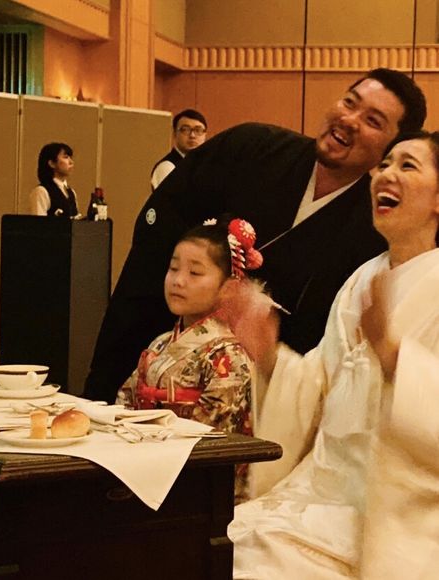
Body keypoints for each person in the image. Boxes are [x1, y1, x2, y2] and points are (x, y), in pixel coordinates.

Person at [84, 68, 427, 403]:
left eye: (373, 121)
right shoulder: (252, 147)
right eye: (350, 102)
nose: (350, 120)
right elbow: (162, 215)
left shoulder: (370, 229)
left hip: (255, 387)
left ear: (391, 149)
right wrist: (198, 281)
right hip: (160, 338)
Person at [228, 131, 439, 579]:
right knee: (216, 547)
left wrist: (395, 358)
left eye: (408, 165)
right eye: (385, 164)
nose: (386, 174)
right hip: (318, 493)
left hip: (397, 514)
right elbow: (321, 388)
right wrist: (271, 356)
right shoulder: (361, 279)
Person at [117, 217, 266, 500]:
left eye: (195, 273)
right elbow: (125, 401)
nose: (178, 280)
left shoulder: (229, 355)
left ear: (228, 288)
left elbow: (211, 439)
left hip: (199, 490)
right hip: (144, 469)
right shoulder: (160, 343)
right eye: (173, 268)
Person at [150, 109, 207, 191]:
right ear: (174, 134)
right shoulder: (167, 167)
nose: (192, 135)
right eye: (185, 130)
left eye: (198, 130)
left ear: (205, 135)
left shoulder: (204, 165)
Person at [29, 142, 81, 218]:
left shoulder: (72, 192)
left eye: (71, 158)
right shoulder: (41, 191)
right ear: (52, 163)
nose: (71, 162)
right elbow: (39, 222)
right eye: (66, 157)